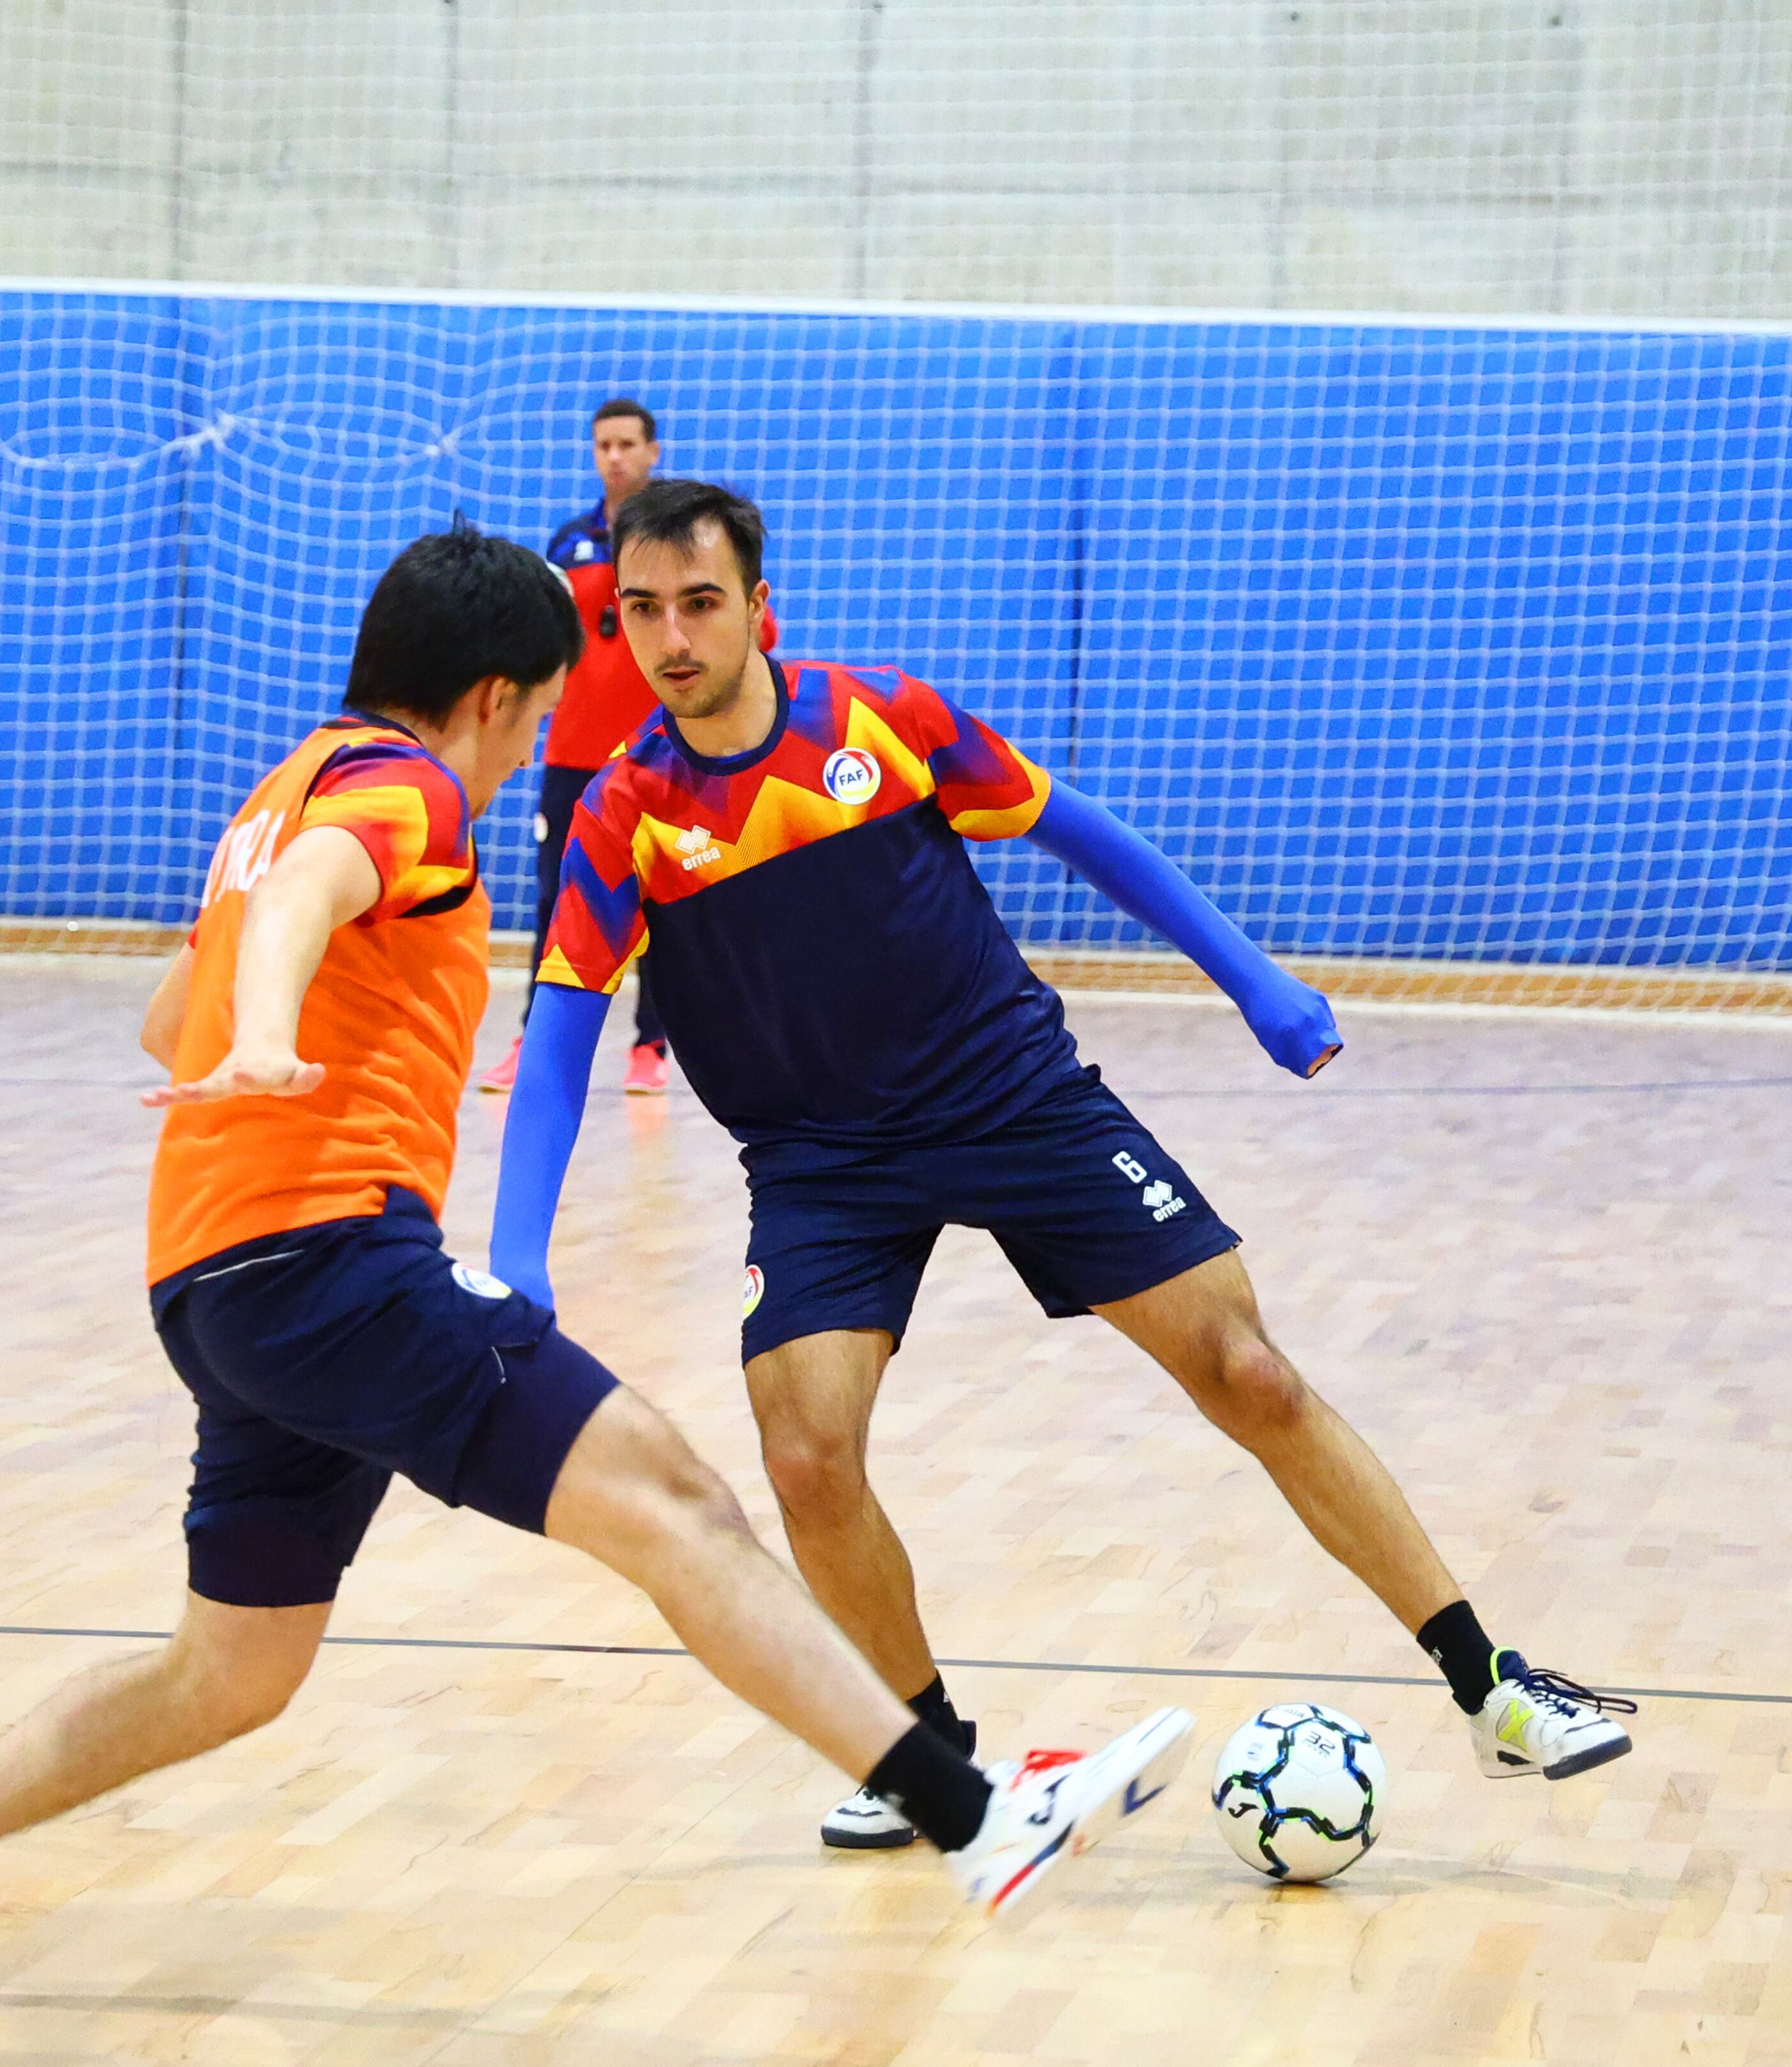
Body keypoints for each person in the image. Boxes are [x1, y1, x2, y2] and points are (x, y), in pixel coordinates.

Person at [0, 523, 1193, 1977]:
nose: (539, 751)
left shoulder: (276, 787)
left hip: (213, 1285)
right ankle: (975, 1819)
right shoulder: (404, 790)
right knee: (679, 1506)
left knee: (231, 1669)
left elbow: (165, 1012)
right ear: (499, 697)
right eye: (554, 708)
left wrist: (261, 1017)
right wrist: (268, 1036)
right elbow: (319, 888)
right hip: (334, 1267)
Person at [490, 479, 1634, 1854]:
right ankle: (922, 1754)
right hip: (821, 1160)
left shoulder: (881, 722)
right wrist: (517, 1258)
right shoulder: (622, 815)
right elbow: (557, 1040)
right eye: (642, 611)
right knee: (804, 1453)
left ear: (757, 608)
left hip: (1011, 1096)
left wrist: (1252, 979)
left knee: (1249, 1372)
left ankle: (1490, 1683)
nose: (670, 636)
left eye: (699, 603)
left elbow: (1075, 828)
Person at [483, 399, 771, 1100]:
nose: (613, 456)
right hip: (571, 759)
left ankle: (651, 1046)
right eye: (601, 445)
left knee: (668, 904)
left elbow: (754, 644)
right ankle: (531, 1041)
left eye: (625, 444)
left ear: (653, 452)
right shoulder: (567, 545)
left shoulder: (686, 548)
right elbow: (541, 643)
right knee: (558, 903)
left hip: (662, 757)